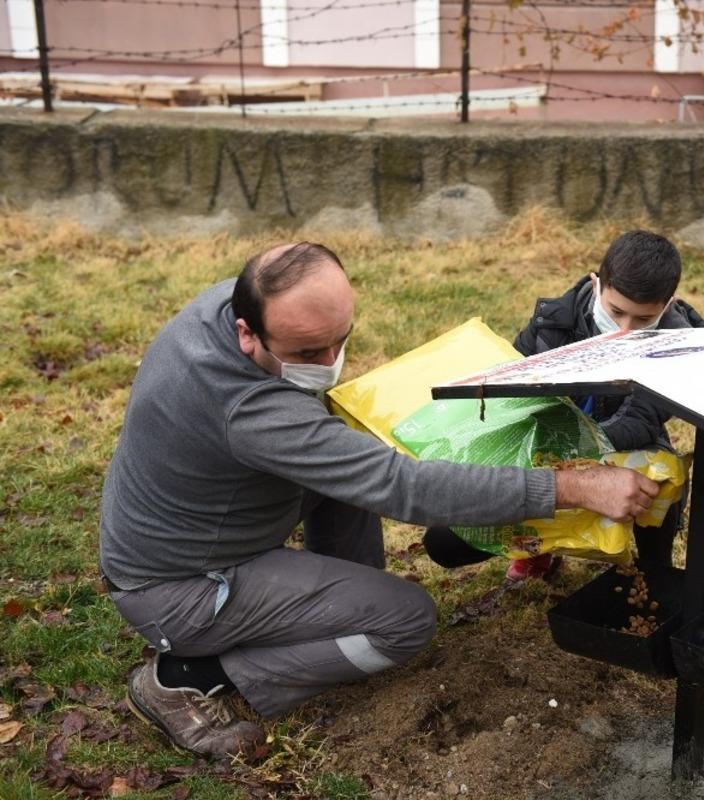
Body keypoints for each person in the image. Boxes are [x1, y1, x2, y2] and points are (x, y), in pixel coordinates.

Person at [99, 242, 659, 759]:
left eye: (339, 340)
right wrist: (571, 486)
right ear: (249, 333)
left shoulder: (229, 302)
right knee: (406, 624)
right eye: (307, 351)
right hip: (184, 586)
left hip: (188, 533)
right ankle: (192, 674)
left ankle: (330, 615)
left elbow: (364, 466)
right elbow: (403, 488)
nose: (328, 363)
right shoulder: (249, 412)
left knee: (350, 459)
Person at [422, 230, 704, 581]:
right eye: (615, 312)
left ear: (669, 304)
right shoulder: (552, 323)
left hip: (625, 449)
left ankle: (653, 573)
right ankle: (537, 545)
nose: (624, 329)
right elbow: (508, 394)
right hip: (542, 447)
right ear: (597, 283)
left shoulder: (681, 347)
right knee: (444, 543)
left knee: (662, 482)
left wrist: (579, 466)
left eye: (642, 320)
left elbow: (641, 421)